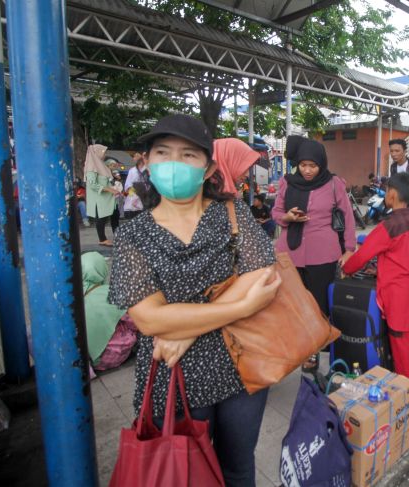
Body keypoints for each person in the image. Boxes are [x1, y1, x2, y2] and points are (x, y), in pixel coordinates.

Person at [108, 114, 281, 486]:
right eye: (163, 152)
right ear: (147, 162)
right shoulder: (133, 234)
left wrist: (186, 330)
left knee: (237, 467)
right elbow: (150, 320)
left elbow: (261, 272)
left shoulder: (232, 215)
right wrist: (241, 307)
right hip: (174, 376)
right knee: (183, 474)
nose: (173, 162)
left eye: (188, 154)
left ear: (208, 169)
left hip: (242, 364)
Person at [272, 135, 356, 371]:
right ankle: (297, 346)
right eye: (303, 165)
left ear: (322, 164)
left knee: (318, 306)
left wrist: (349, 249)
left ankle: (314, 351)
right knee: (293, 304)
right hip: (290, 253)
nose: (307, 170)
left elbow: (347, 216)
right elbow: (276, 212)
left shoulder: (333, 183)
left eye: (313, 165)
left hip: (323, 253)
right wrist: (287, 218)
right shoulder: (287, 183)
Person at [342, 173, 409, 379]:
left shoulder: (389, 226)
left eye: (387, 190)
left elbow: (362, 255)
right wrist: (381, 269)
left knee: (401, 347)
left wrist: (347, 266)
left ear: (393, 195)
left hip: (397, 293)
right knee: (400, 342)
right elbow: (403, 255)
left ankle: (405, 397)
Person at [82, 252, 137, 371]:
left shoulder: (74, 295)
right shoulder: (110, 292)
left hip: (89, 359)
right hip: (111, 356)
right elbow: (134, 321)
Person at [84, 144, 121, 246]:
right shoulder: (92, 167)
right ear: (97, 153)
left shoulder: (102, 164)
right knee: (101, 218)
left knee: (115, 215)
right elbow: (92, 184)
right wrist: (109, 189)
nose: (105, 154)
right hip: (100, 198)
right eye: (103, 152)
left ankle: (119, 237)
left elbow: (106, 179)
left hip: (108, 197)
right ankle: (102, 239)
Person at [123, 152, 147, 220]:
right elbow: (127, 184)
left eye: (137, 156)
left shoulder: (148, 169)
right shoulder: (132, 170)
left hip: (144, 196)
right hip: (133, 195)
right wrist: (130, 189)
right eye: (134, 156)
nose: (135, 158)